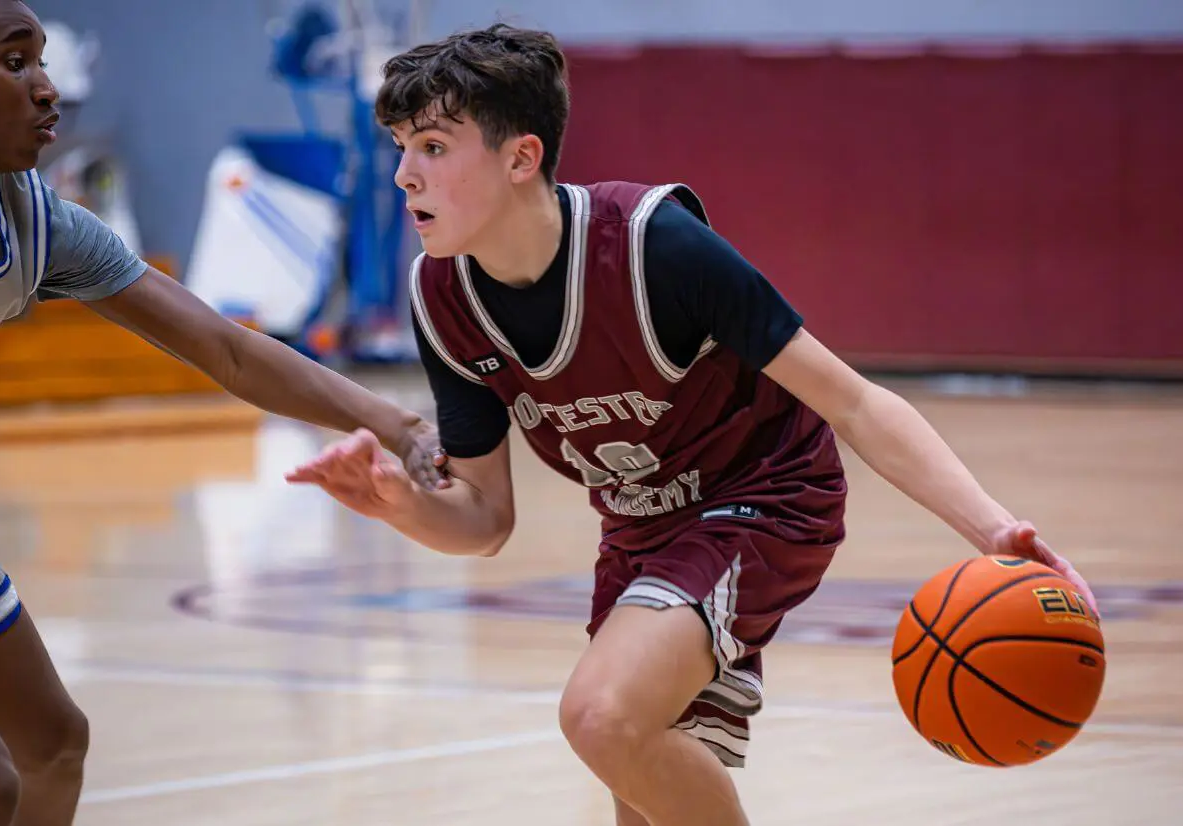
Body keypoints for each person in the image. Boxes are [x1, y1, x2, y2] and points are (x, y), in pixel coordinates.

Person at [286, 23, 1100, 826]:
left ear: (520, 157)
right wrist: (399, 505)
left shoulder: (653, 248)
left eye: (431, 147)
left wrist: (993, 529)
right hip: (640, 530)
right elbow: (485, 521)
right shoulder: (442, 300)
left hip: (768, 497)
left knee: (600, 716)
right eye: (400, 146)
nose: (402, 175)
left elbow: (851, 400)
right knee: (638, 787)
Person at [0, 2, 447, 824]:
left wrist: (401, 426)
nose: (47, 89)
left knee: (48, 747)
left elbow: (228, 349)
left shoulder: (37, 225)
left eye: (43, 61)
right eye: (14, 63)